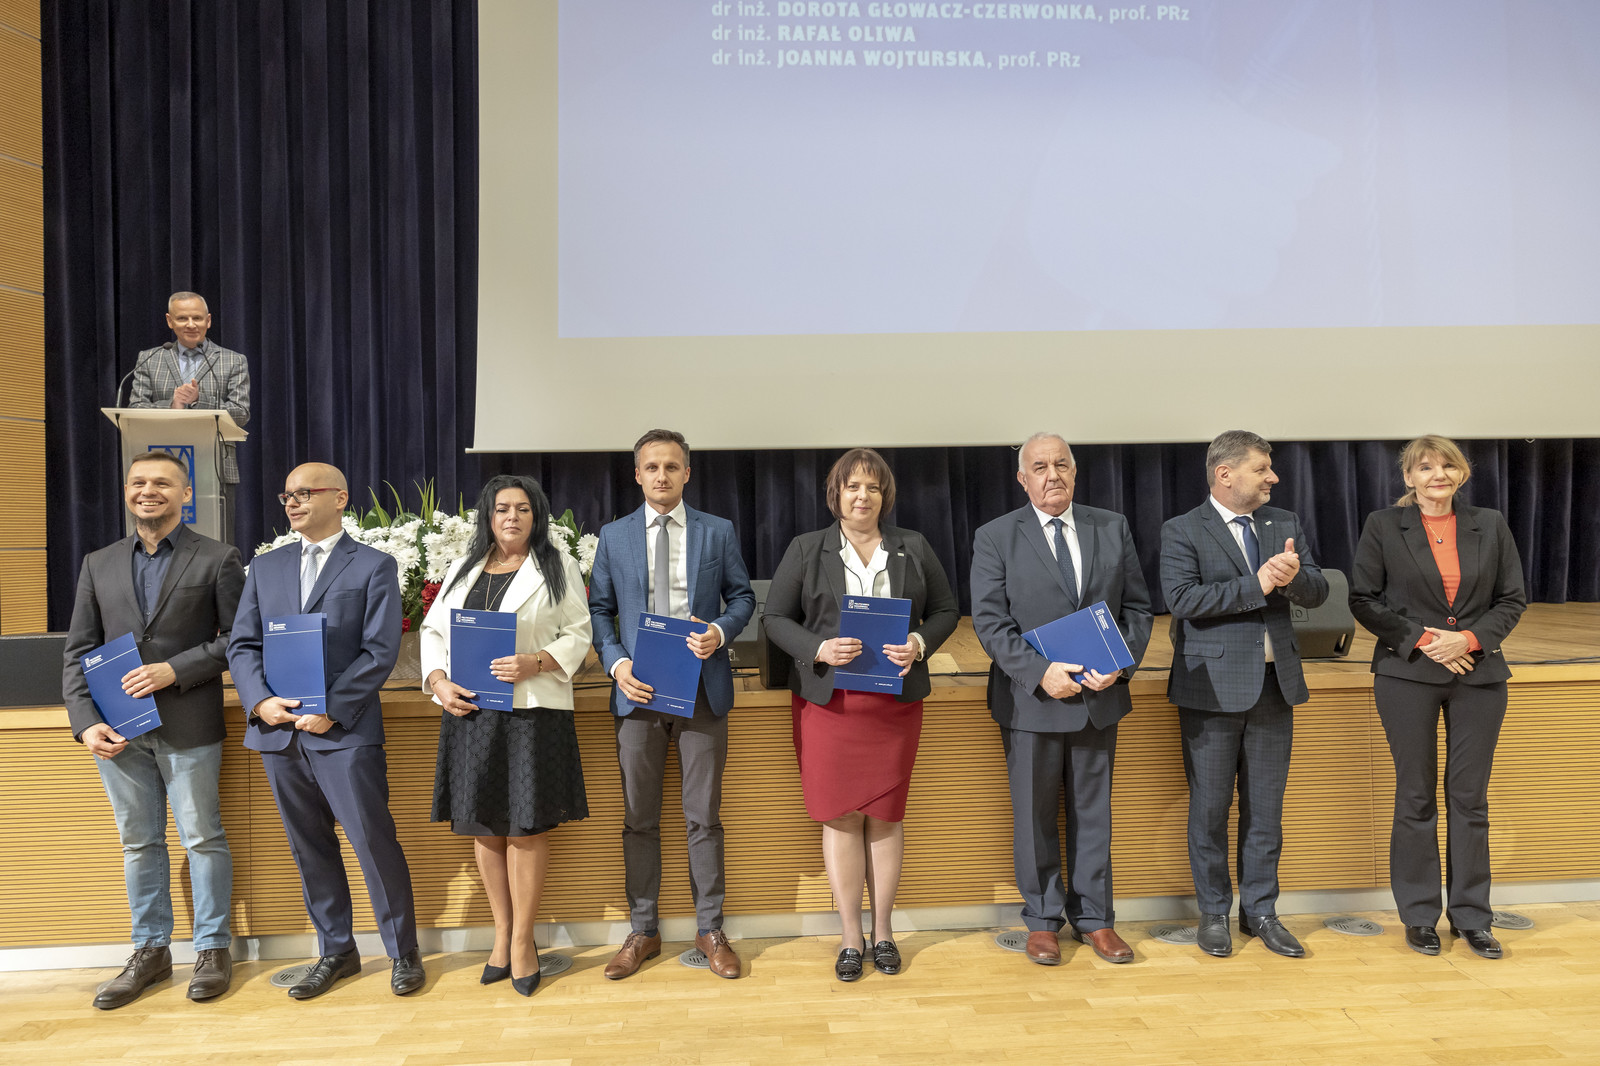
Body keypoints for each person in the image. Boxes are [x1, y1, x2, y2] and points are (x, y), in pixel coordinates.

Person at [227, 462, 424, 999]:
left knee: (372, 842)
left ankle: (403, 952)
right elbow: (242, 644)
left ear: (339, 498)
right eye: (286, 495)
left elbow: (379, 651)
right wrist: (260, 701)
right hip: (279, 733)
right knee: (308, 847)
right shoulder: (265, 567)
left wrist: (333, 708)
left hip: (345, 732)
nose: (292, 503)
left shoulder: (374, 565)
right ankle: (336, 950)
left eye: (304, 493)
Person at [763, 448, 960, 981]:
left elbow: (946, 609)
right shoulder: (807, 548)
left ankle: (885, 931)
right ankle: (851, 936)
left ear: (885, 495)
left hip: (893, 706)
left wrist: (918, 643)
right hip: (831, 705)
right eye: (853, 486)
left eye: (873, 487)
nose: (863, 496)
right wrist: (819, 648)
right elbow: (775, 617)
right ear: (836, 494)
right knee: (842, 817)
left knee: (887, 816)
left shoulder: (913, 546)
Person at [61, 452, 245, 1009]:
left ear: (185, 494)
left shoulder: (218, 557)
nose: (148, 491)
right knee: (139, 842)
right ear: (126, 492)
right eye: (138, 482)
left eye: (162, 482)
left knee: (202, 838)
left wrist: (174, 669)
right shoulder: (98, 563)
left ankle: (212, 948)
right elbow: (78, 651)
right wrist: (85, 724)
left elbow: (238, 640)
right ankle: (151, 950)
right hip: (118, 732)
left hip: (190, 722)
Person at [970, 433, 1153, 967]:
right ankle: (1043, 921)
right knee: (1034, 818)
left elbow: (1138, 610)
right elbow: (990, 622)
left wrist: (1121, 664)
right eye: (1040, 466)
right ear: (1022, 479)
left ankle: (1096, 920)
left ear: (1075, 471)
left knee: (1094, 815)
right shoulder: (995, 536)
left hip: (1099, 698)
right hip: (1032, 700)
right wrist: (1039, 672)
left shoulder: (1111, 526)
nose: (1053, 474)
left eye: (1062, 464)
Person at [1349, 435, 1526, 960]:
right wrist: (1427, 641)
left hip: (1479, 674)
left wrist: (1468, 639)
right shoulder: (1384, 525)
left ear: (1462, 473)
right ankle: (1420, 915)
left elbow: (1512, 598)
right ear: (1409, 478)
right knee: (1416, 796)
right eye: (1425, 467)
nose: (1437, 475)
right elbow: (1364, 599)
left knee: (1470, 799)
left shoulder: (1490, 523)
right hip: (1407, 674)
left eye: (1448, 465)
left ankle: (1472, 917)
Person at [588, 429, 757, 980]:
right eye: (652, 467)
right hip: (637, 692)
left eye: (672, 466)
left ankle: (710, 928)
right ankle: (643, 929)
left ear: (688, 473)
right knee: (639, 819)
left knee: (703, 817)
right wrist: (617, 663)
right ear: (637, 475)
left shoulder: (717, 531)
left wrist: (719, 631)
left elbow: (743, 597)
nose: (662, 475)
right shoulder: (614, 536)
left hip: (701, 689)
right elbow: (600, 610)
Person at [421, 475, 593, 996]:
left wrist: (536, 662)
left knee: (525, 828)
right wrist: (438, 681)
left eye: (522, 508)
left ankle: (523, 942)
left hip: (531, 712)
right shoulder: (464, 567)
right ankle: (500, 933)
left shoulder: (557, 567)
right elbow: (433, 631)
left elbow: (579, 634)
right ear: (488, 517)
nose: (511, 517)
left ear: (536, 516)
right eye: (502, 509)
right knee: (484, 826)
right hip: (471, 711)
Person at [1160, 430, 1328, 959]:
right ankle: (1214, 914)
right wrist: (1259, 584)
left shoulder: (1284, 522)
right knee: (1210, 810)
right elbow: (1183, 599)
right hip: (1210, 691)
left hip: (1275, 689)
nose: (1273, 477)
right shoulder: (1183, 529)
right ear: (1225, 473)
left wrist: (1294, 578)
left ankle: (1261, 913)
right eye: (1261, 469)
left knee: (1266, 812)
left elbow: (1319, 590)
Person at [128, 292, 251, 543]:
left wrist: (197, 401)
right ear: (169, 321)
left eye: (197, 318)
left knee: (217, 542)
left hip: (215, 465)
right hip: (159, 464)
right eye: (182, 318)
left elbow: (241, 412)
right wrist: (173, 405)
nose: (191, 324)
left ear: (209, 320)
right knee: (158, 539)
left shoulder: (233, 360)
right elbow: (136, 408)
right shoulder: (150, 359)